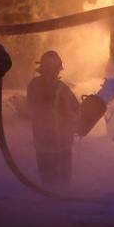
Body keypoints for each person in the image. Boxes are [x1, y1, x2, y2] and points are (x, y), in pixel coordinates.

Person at [26, 50, 79, 186]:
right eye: (49, 70)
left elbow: (76, 110)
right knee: (52, 183)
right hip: (48, 145)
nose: (51, 74)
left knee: (58, 184)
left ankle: (57, 203)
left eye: (52, 70)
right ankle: (55, 204)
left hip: (60, 145)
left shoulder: (60, 89)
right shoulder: (36, 87)